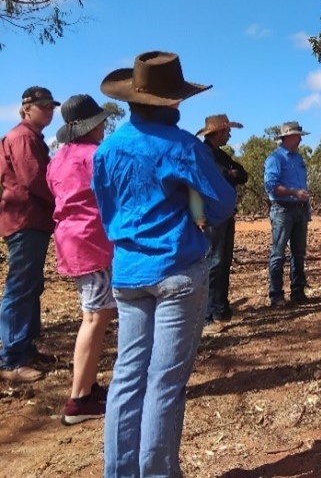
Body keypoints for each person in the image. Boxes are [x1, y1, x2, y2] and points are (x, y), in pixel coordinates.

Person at [91, 51, 235, 477]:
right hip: (177, 270)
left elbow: (106, 208)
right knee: (165, 383)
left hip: (129, 273)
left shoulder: (108, 148)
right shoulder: (183, 146)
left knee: (127, 376)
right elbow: (222, 204)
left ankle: (119, 471)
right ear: (173, 102)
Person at [46, 94, 116, 425]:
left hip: (71, 241)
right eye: (100, 121)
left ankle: (88, 387)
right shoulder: (96, 155)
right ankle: (78, 401)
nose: (103, 126)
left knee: (93, 313)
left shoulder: (57, 160)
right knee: (94, 318)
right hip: (93, 242)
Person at [0, 86, 59, 383]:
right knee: (21, 288)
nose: (49, 111)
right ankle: (12, 359)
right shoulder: (23, 137)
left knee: (31, 285)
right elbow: (35, 179)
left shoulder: (28, 136)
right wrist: (63, 201)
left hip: (30, 221)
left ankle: (26, 347)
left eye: (51, 107)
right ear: (27, 108)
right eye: (44, 106)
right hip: (25, 220)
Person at [195, 114, 248, 334]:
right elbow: (206, 181)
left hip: (225, 216)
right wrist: (228, 174)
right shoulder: (203, 154)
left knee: (224, 262)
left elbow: (242, 174)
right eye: (227, 131)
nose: (229, 135)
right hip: (211, 218)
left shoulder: (221, 155)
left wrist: (231, 174)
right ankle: (205, 316)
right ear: (217, 132)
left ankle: (220, 308)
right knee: (213, 264)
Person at [263, 121, 311, 307]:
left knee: (298, 253)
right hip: (282, 210)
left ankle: (298, 291)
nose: (300, 139)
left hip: (300, 209)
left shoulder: (298, 159)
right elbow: (271, 186)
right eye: (298, 135)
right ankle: (276, 295)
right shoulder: (275, 159)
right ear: (288, 137)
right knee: (278, 253)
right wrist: (293, 192)